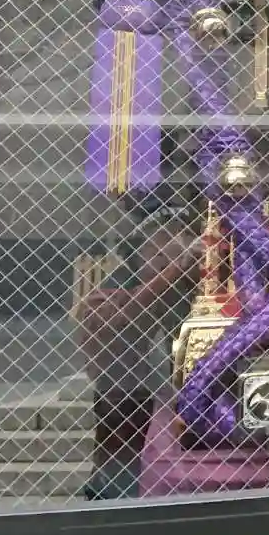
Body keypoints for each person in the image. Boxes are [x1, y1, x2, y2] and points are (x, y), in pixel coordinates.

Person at [75, 183, 205, 500]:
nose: (167, 251)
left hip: (195, 446)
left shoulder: (203, 293)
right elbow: (107, 331)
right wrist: (171, 274)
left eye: (179, 238)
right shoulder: (115, 291)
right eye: (156, 246)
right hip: (126, 454)